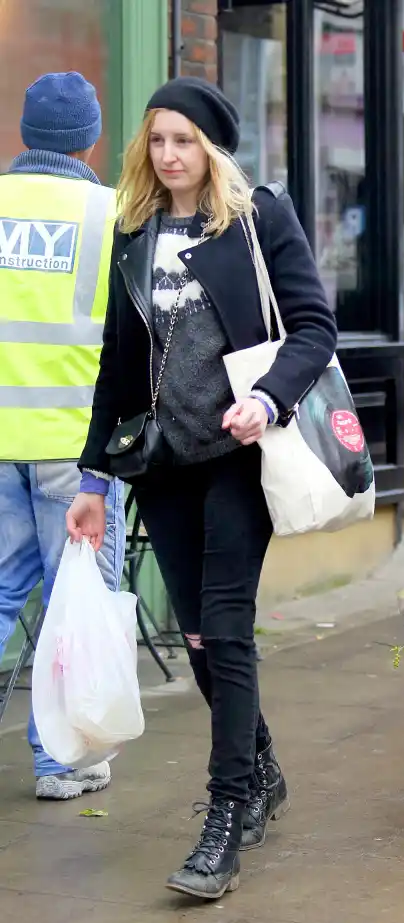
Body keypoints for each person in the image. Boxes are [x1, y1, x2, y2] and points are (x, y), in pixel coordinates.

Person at [65, 77, 338, 899]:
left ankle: (225, 814)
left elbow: (315, 326)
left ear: (213, 149)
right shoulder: (134, 232)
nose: (170, 155)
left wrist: (267, 396)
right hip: (165, 465)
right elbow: (118, 362)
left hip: (239, 460)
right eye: (157, 141)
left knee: (224, 628)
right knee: (195, 639)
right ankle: (258, 764)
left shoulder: (258, 222)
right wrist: (91, 476)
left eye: (185, 140)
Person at [0, 72, 125, 800]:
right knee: (74, 602)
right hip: (74, 452)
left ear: (24, 132)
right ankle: (63, 761)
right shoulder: (109, 213)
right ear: (89, 137)